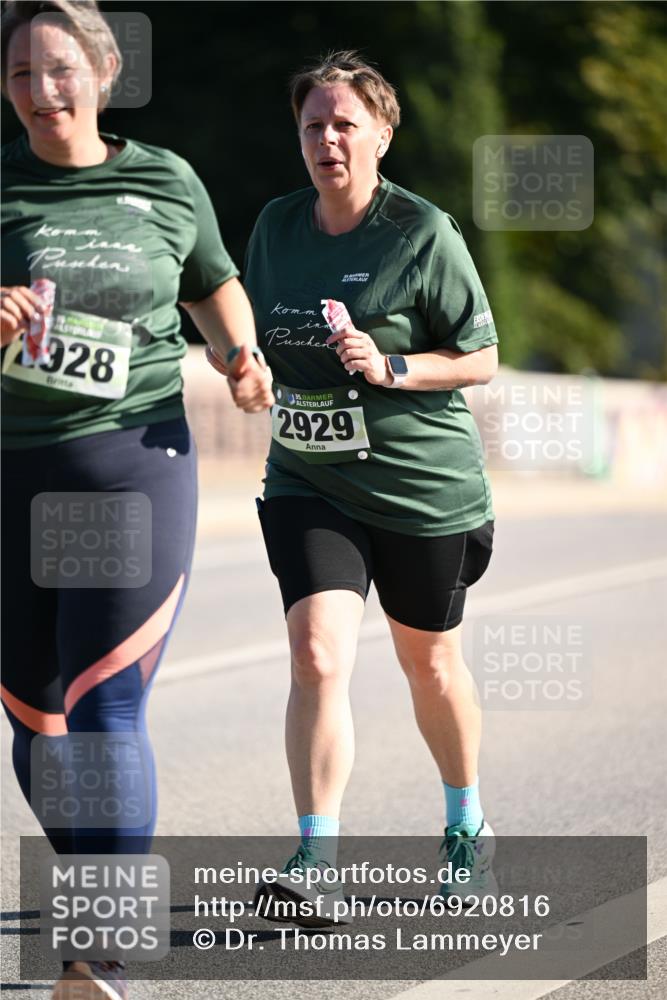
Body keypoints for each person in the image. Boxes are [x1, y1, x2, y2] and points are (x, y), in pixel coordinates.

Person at [0, 2, 273, 996]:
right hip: (9, 475)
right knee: (35, 716)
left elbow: (213, 283)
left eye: (61, 69)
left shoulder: (163, 177)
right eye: (22, 73)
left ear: (104, 75)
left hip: (131, 465)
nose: (42, 91)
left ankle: (97, 953)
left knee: (104, 698)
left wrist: (240, 356)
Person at [210, 50, 499, 924]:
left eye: (343, 123)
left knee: (430, 664)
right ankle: (316, 857)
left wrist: (394, 364)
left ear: (380, 131)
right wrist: (246, 370)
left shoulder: (422, 231)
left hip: (419, 489)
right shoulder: (276, 226)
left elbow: (481, 358)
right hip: (309, 477)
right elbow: (250, 337)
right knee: (315, 655)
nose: (326, 139)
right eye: (311, 125)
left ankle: (465, 825)